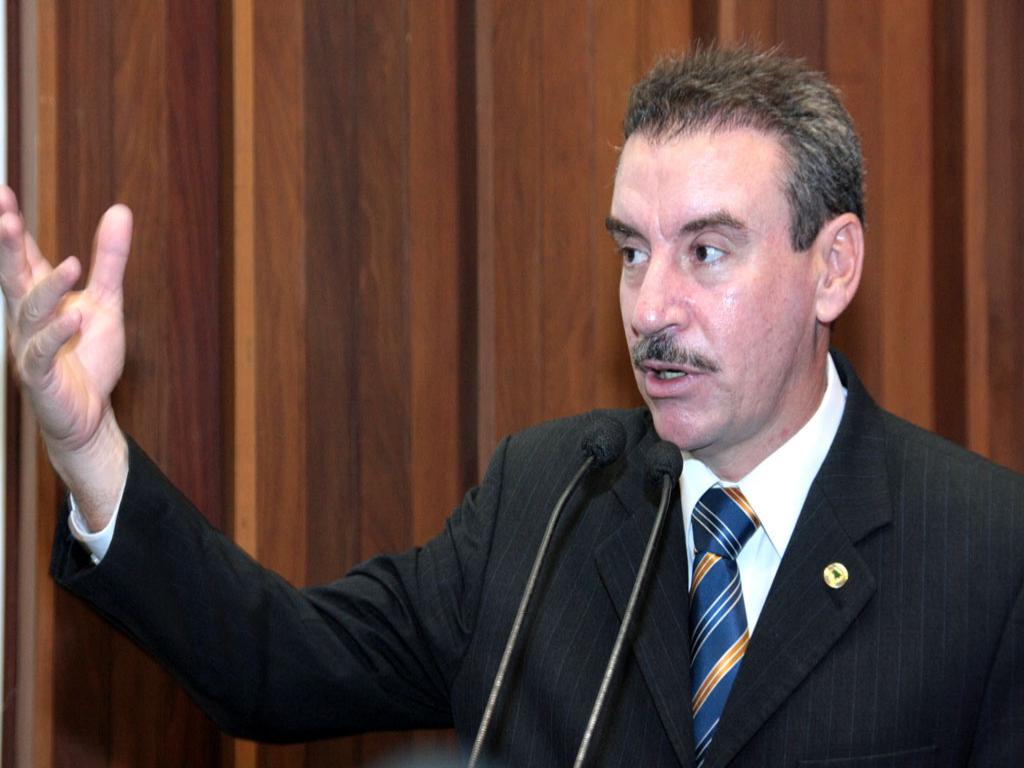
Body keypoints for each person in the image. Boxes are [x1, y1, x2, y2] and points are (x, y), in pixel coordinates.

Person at [2, 47, 1021, 767]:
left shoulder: (987, 553)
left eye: (706, 251)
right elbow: (275, 664)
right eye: (633, 252)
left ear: (832, 267)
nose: (650, 309)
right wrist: (90, 446)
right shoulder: (552, 501)